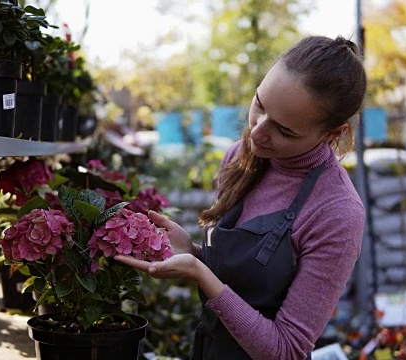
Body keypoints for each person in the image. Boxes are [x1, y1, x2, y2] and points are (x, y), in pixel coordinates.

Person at [116, 35, 367, 360]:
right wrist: (191, 252)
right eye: (259, 105)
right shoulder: (239, 157)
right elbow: (241, 284)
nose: (258, 132)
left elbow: (286, 349)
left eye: (285, 131)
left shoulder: (336, 212)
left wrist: (199, 272)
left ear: (332, 133)